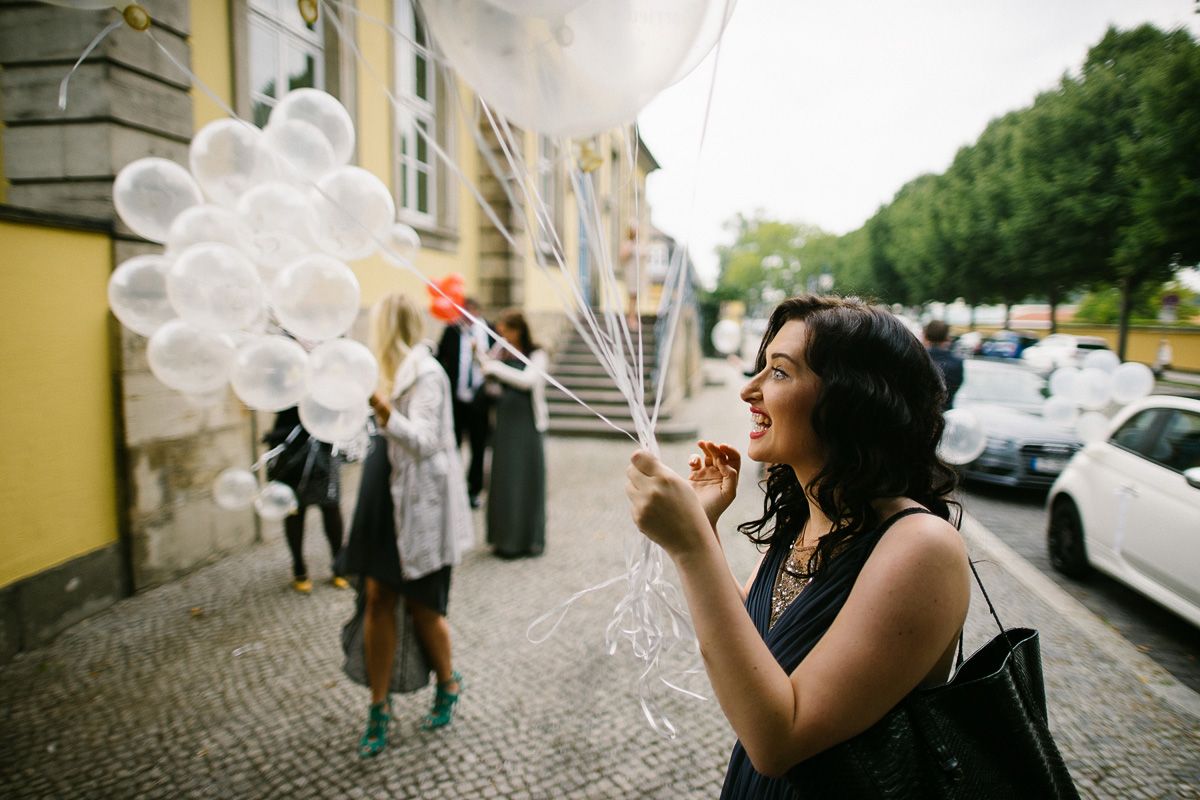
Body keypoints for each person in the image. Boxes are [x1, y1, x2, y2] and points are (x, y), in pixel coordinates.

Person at [625, 295, 970, 798]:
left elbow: (777, 741)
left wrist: (692, 547)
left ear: (853, 400)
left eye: (779, 373)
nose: (749, 390)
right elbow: (749, 661)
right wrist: (705, 527)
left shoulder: (921, 545)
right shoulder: (806, 523)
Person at [340, 292, 473, 758]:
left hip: (420, 500)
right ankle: (378, 707)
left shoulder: (427, 373)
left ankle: (448, 683)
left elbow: (426, 440)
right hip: (382, 487)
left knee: (423, 606)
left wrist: (379, 405)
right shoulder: (377, 368)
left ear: (389, 325)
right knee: (377, 598)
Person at [476, 309, 547, 558]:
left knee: (525, 478)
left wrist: (495, 368)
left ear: (518, 330)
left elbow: (528, 380)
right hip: (504, 423)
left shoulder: (537, 354)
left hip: (527, 424)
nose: (501, 335)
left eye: (505, 330)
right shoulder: (500, 352)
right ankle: (503, 539)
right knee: (504, 479)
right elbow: (489, 381)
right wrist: (486, 364)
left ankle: (528, 539)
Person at [263, 406, 348, 593]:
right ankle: (299, 568)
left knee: (331, 505)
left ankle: (340, 564)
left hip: (323, 438)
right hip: (290, 440)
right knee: (294, 508)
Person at [435, 297, 492, 508]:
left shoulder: (489, 331)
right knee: (454, 444)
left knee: (478, 447)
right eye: (464, 311)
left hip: (479, 399)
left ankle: (474, 490)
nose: (467, 316)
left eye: (471, 311)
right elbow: (441, 357)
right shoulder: (452, 331)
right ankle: (454, 487)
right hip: (456, 399)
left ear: (478, 311)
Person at [922, 319, 964, 410]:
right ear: (947, 337)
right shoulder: (957, 362)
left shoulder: (918, 357)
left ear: (926, 335)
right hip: (945, 410)